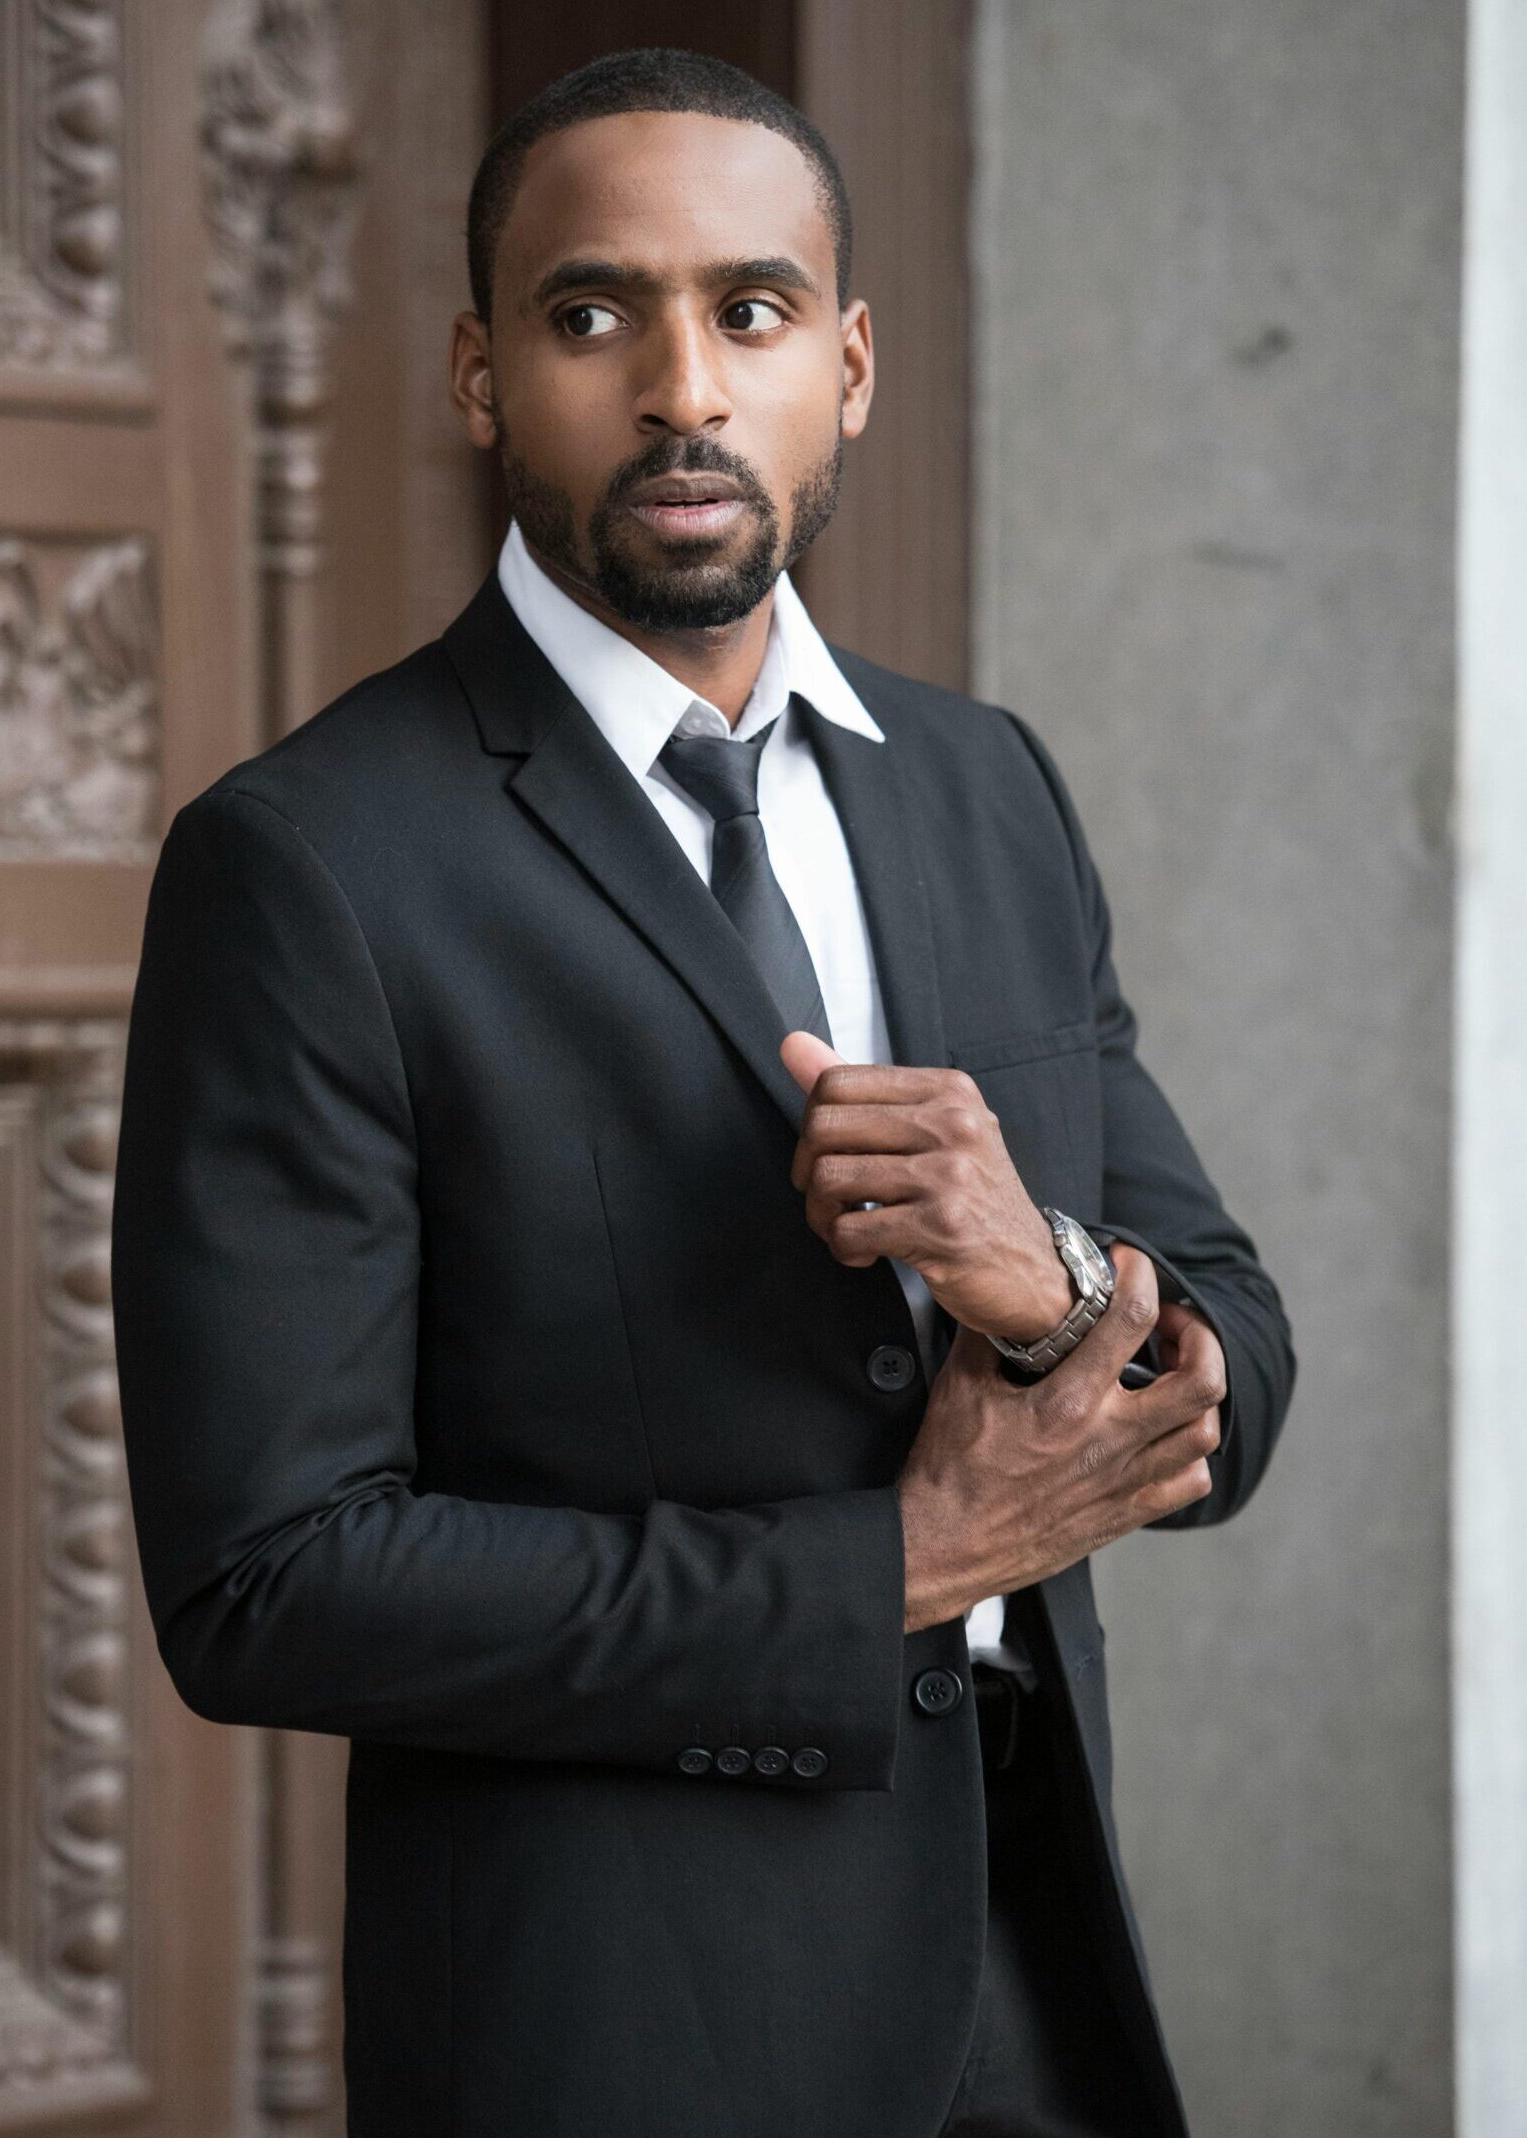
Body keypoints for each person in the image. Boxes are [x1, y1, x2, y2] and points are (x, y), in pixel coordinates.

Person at [110, 46, 1296, 2138]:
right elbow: (266, 1579)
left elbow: (1237, 1360)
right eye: (594, 315)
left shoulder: (986, 784)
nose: (680, 388)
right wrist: (895, 1566)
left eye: (748, 312)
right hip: (616, 2030)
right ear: (483, 376)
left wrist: (1046, 1283)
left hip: (1045, 1981)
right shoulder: (310, 864)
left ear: (846, 367)